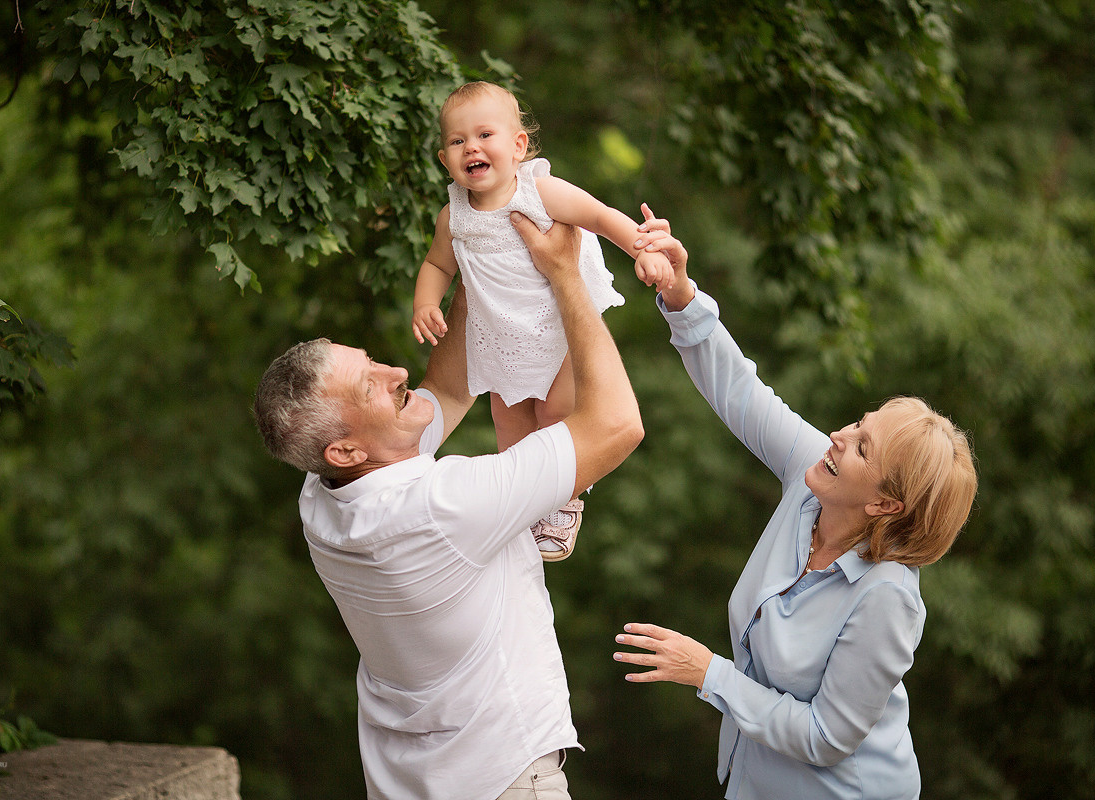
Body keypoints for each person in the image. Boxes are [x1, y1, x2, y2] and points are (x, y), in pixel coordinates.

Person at [254, 215, 645, 800]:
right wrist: (565, 275)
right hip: (507, 781)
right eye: (371, 386)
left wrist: (479, 243)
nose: (397, 372)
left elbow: (452, 389)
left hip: (409, 785)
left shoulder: (323, 498)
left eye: (374, 361)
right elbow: (617, 425)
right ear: (345, 447)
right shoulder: (443, 507)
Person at [611, 213, 978, 799]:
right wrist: (679, 291)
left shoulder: (886, 597)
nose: (838, 436)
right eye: (858, 422)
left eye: (863, 446)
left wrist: (709, 674)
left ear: (886, 503)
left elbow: (825, 736)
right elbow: (740, 391)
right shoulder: (812, 474)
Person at [412, 81, 672, 561]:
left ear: (518, 146)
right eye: (456, 141)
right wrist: (426, 302)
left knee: (556, 414)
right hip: (502, 338)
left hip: (559, 331)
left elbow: (599, 216)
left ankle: (565, 500)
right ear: (447, 160)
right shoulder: (454, 217)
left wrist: (643, 250)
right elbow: (437, 265)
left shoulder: (537, 189)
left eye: (484, 134)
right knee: (509, 427)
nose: (470, 146)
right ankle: (523, 509)